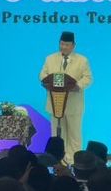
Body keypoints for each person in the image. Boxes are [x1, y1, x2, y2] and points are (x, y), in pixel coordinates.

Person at [39, 31, 93, 164]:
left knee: (74, 135)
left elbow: (88, 78)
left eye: (67, 45)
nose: (63, 47)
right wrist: (46, 83)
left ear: (73, 45)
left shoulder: (82, 60)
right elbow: (42, 75)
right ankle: (57, 162)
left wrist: (77, 86)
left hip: (73, 104)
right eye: (61, 44)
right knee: (57, 135)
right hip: (55, 103)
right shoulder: (50, 58)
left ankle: (75, 163)